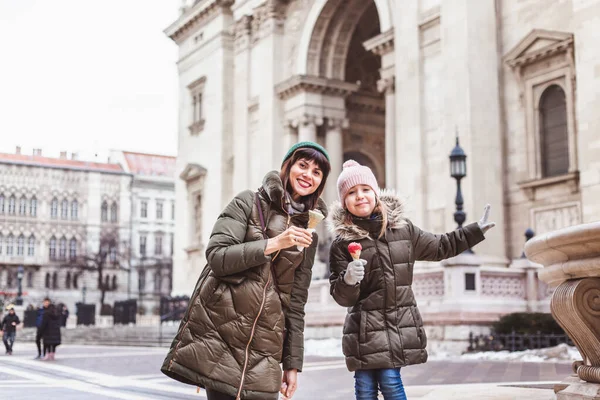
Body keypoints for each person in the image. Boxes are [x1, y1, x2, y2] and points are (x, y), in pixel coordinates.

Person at [162, 142, 331, 400]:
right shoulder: (248, 202)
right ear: (288, 167)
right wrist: (274, 243)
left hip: (266, 349)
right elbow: (217, 256)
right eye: (303, 165)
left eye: (317, 172)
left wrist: (293, 364)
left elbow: (295, 304)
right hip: (222, 337)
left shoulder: (308, 235)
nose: (308, 175)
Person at [328, 160, 495, 400]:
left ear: (375, 193)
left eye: (365, 189)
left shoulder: (403, 230)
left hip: (398, 322)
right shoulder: (341, 244)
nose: (360, 196)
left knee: (390, 381)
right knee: (364, 388)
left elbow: (440, 246)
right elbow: (343, 297)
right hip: (363, 328)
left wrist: (474, 231)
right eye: (351, 192)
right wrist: (348, 280)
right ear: (344, 202)